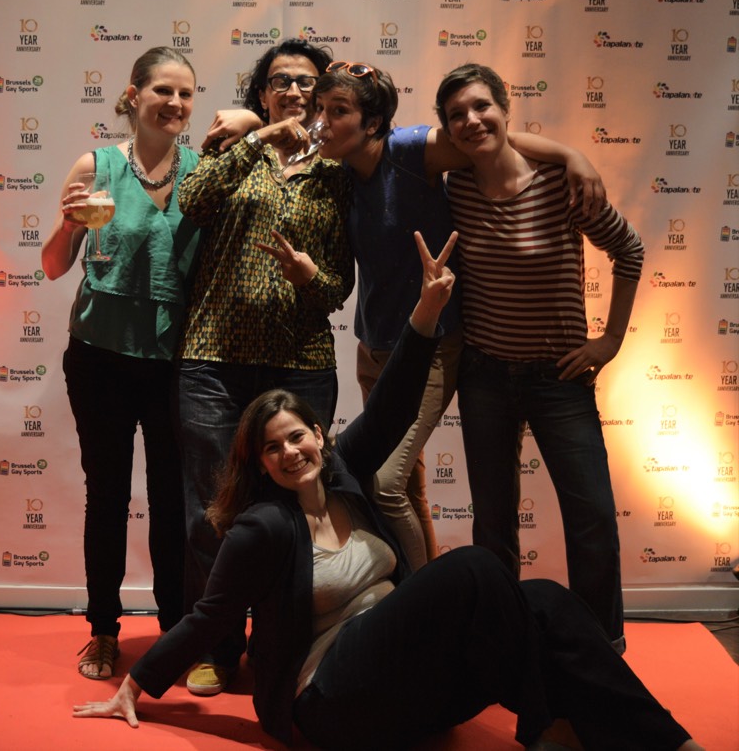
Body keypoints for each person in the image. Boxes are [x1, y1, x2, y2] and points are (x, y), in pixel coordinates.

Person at [73, 232, 701, 751]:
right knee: (476, 567)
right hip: (331, 703)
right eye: (272, 448)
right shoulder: (264, 527)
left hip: (405, 689)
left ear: (320, 437)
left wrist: (426, 311)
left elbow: (394, 403)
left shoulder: (345, 474)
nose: (290, 453)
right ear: (259, 465)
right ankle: (545, 723)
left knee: (547, 601)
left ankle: (670, 742)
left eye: (297, 437)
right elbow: (210, 615)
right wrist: (137, 686)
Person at [205, 62, 607, 573]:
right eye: (320, 110)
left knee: (385, 483)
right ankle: (420, 593)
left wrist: (571, 155)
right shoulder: (337, 168)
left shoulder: (410, 150)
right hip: (374, 349)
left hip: (430, 346)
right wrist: (250, 122)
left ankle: (420, 600)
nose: (321, 121)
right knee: (408, 483)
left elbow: (490, 141)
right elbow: (285, 138)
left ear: (372, 123)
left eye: (337, 111)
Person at [435, 62, 644, 652]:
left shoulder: (560, 183)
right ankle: (502, 643)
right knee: (492, 522)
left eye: (482, 106)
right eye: (457, 115)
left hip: (559, 377)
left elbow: (629, 252)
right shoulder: (456, 187)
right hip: (484, 375)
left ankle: (601, 650)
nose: (472, 121)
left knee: (592, 519)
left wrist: (611, 340)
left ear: (506, 108)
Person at [174, 38, 354, 696]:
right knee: (211, 514)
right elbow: (193, 200)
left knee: (298, 512)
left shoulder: (336, 173)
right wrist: (259, 137)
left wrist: (310, 276)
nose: (295, 91)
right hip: (212, 362)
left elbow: (338, 287)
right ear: (261, 93)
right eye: (281, 81)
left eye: (307, 83)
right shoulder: (233, 149)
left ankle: (284, 647)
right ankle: (219, 649)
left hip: (299, 366)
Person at [42, 47, 203, 679]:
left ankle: (173, 631)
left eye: (185, 93)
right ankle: (104, 630)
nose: (175, 103)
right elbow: (54, 266)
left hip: (174, 362)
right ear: (134, 95)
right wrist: (67, 225)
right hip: (100, 360)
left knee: (172, 502)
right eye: (163, 90)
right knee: (106, 495)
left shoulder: (204, 173)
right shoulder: (97, 166)